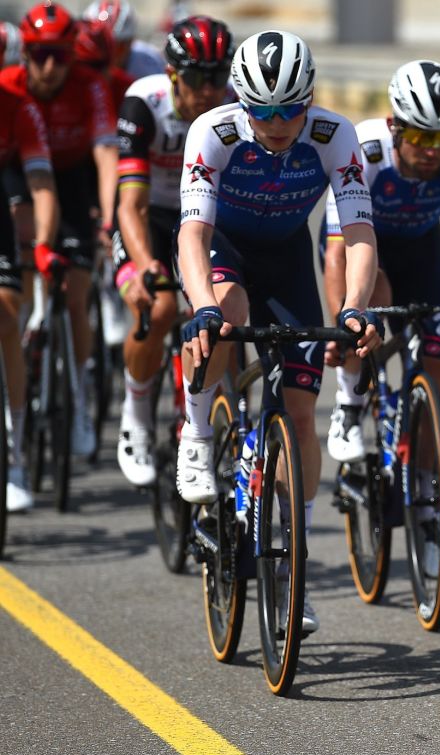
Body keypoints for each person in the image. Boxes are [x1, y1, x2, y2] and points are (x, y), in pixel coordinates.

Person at [175, 30, 381, 633]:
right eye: (261, 111)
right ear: (240, 102)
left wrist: (354, 306)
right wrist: (202, 307)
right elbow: (192, 234)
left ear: (310, 98)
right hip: (223, 247)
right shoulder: (213, 132)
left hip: (287, 257)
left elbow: (359, 232)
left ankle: (293, 567)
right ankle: (196, 430)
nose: (277, 122)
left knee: (300, 409)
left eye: (291, 108)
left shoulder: (334, 134)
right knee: (226, 312)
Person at [321, 58, 440, 467]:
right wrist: (343, 326)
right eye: (420, 135)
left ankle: (428, 489)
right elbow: (337, 253)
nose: (433, 150)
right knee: (372, 297)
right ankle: (349, 403)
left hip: (420, 252)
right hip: (359, 247)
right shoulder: (363, 150)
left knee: (436, 375)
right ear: (394, 126)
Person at [111, 14, 233, 487]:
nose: (208, 91)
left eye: (217, 78)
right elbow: (131, 204)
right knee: (159, 308)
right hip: (148, 219)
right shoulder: (144, 103)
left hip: (202, 220)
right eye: (197, 80)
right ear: (172, 75)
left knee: (226, 310)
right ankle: (136, 410)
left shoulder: (233, 107)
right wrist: (146, 267)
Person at [1, 1, 118, 459]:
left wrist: (108, 217)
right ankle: (25, 326)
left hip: (71, 178)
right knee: (24, 249)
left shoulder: (90, 86)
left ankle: (79, 391)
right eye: (40, 55)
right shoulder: (11, 87)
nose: (50, 67)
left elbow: (106, 155)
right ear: (25, 54)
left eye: (61, 56)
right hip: (19, 173)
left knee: (75, 290)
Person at [0, 75, 63, 512]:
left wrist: (41, 245)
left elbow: (41, 184)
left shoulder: (17, 105)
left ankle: (14, 454)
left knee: (5, 315)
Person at [83, 0, 166, 79]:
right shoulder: (78, 61)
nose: (108, 56)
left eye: (116, 47)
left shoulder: (149, 64)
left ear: (130, 43)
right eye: (100, 46)